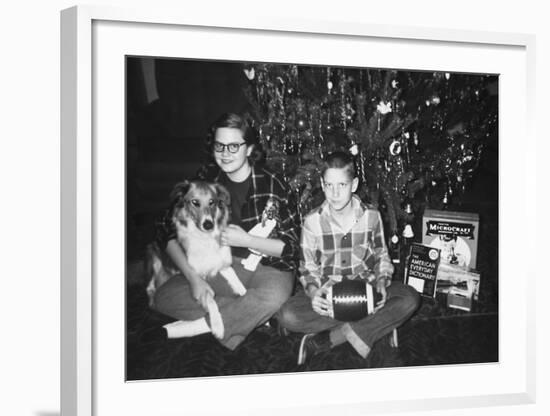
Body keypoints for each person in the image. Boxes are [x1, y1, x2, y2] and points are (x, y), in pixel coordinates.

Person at [144, 113, 300, 350]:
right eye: (220, 145)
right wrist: (193, 278)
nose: (225, 153)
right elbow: (165, 229)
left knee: (274, 296)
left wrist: (247, 239)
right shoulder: (205, 180)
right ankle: (249, 316)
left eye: (234, 146)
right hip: (218, 266)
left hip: (266, 266)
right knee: (163, 297)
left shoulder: (273, 184)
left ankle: (202, 325)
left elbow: (291, 249)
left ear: (249, 149)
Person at [277, 151, 420, 365]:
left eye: (341, 185)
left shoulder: (371, 216)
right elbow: (307, 269)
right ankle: (373, 327)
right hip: (330, 295)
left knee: (410, 298)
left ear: (353, 185)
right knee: (287, 315)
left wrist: (382, 281)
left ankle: (332, 338)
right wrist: (315, 293)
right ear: (323, 185)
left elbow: (382, 255)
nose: (335, 193)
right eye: (329, 185)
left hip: (367, 293)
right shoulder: (311, 222)